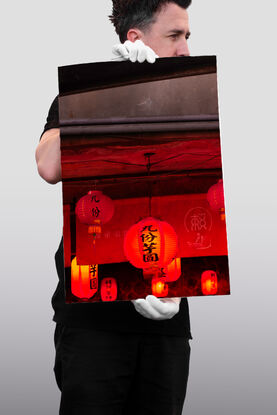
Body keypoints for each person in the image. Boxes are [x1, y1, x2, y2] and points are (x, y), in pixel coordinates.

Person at [35, 1, 192, 414]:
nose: (185, 50)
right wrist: (107, 88)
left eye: (187, 37)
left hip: (167, 314)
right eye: (175, 36)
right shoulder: (84, 94)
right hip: (92, 319)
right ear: (135, 39)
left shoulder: (190, 102)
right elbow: (49, 166)